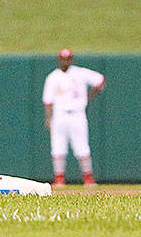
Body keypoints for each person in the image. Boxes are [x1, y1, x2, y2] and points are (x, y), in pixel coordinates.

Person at [43, 48, 105, 188]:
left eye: (68, 58)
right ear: (59, 60)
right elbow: (48, 101)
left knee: (82, 147)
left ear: (72, 59)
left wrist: (88, 99)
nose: (65, 61)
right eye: (63, 58)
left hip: (77, 114)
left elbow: (100, 81)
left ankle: (88, 178)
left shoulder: (80, 73)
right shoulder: (53, 77)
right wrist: (48, 119)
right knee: (58, 147)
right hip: (59, 115)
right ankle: (59, 179)